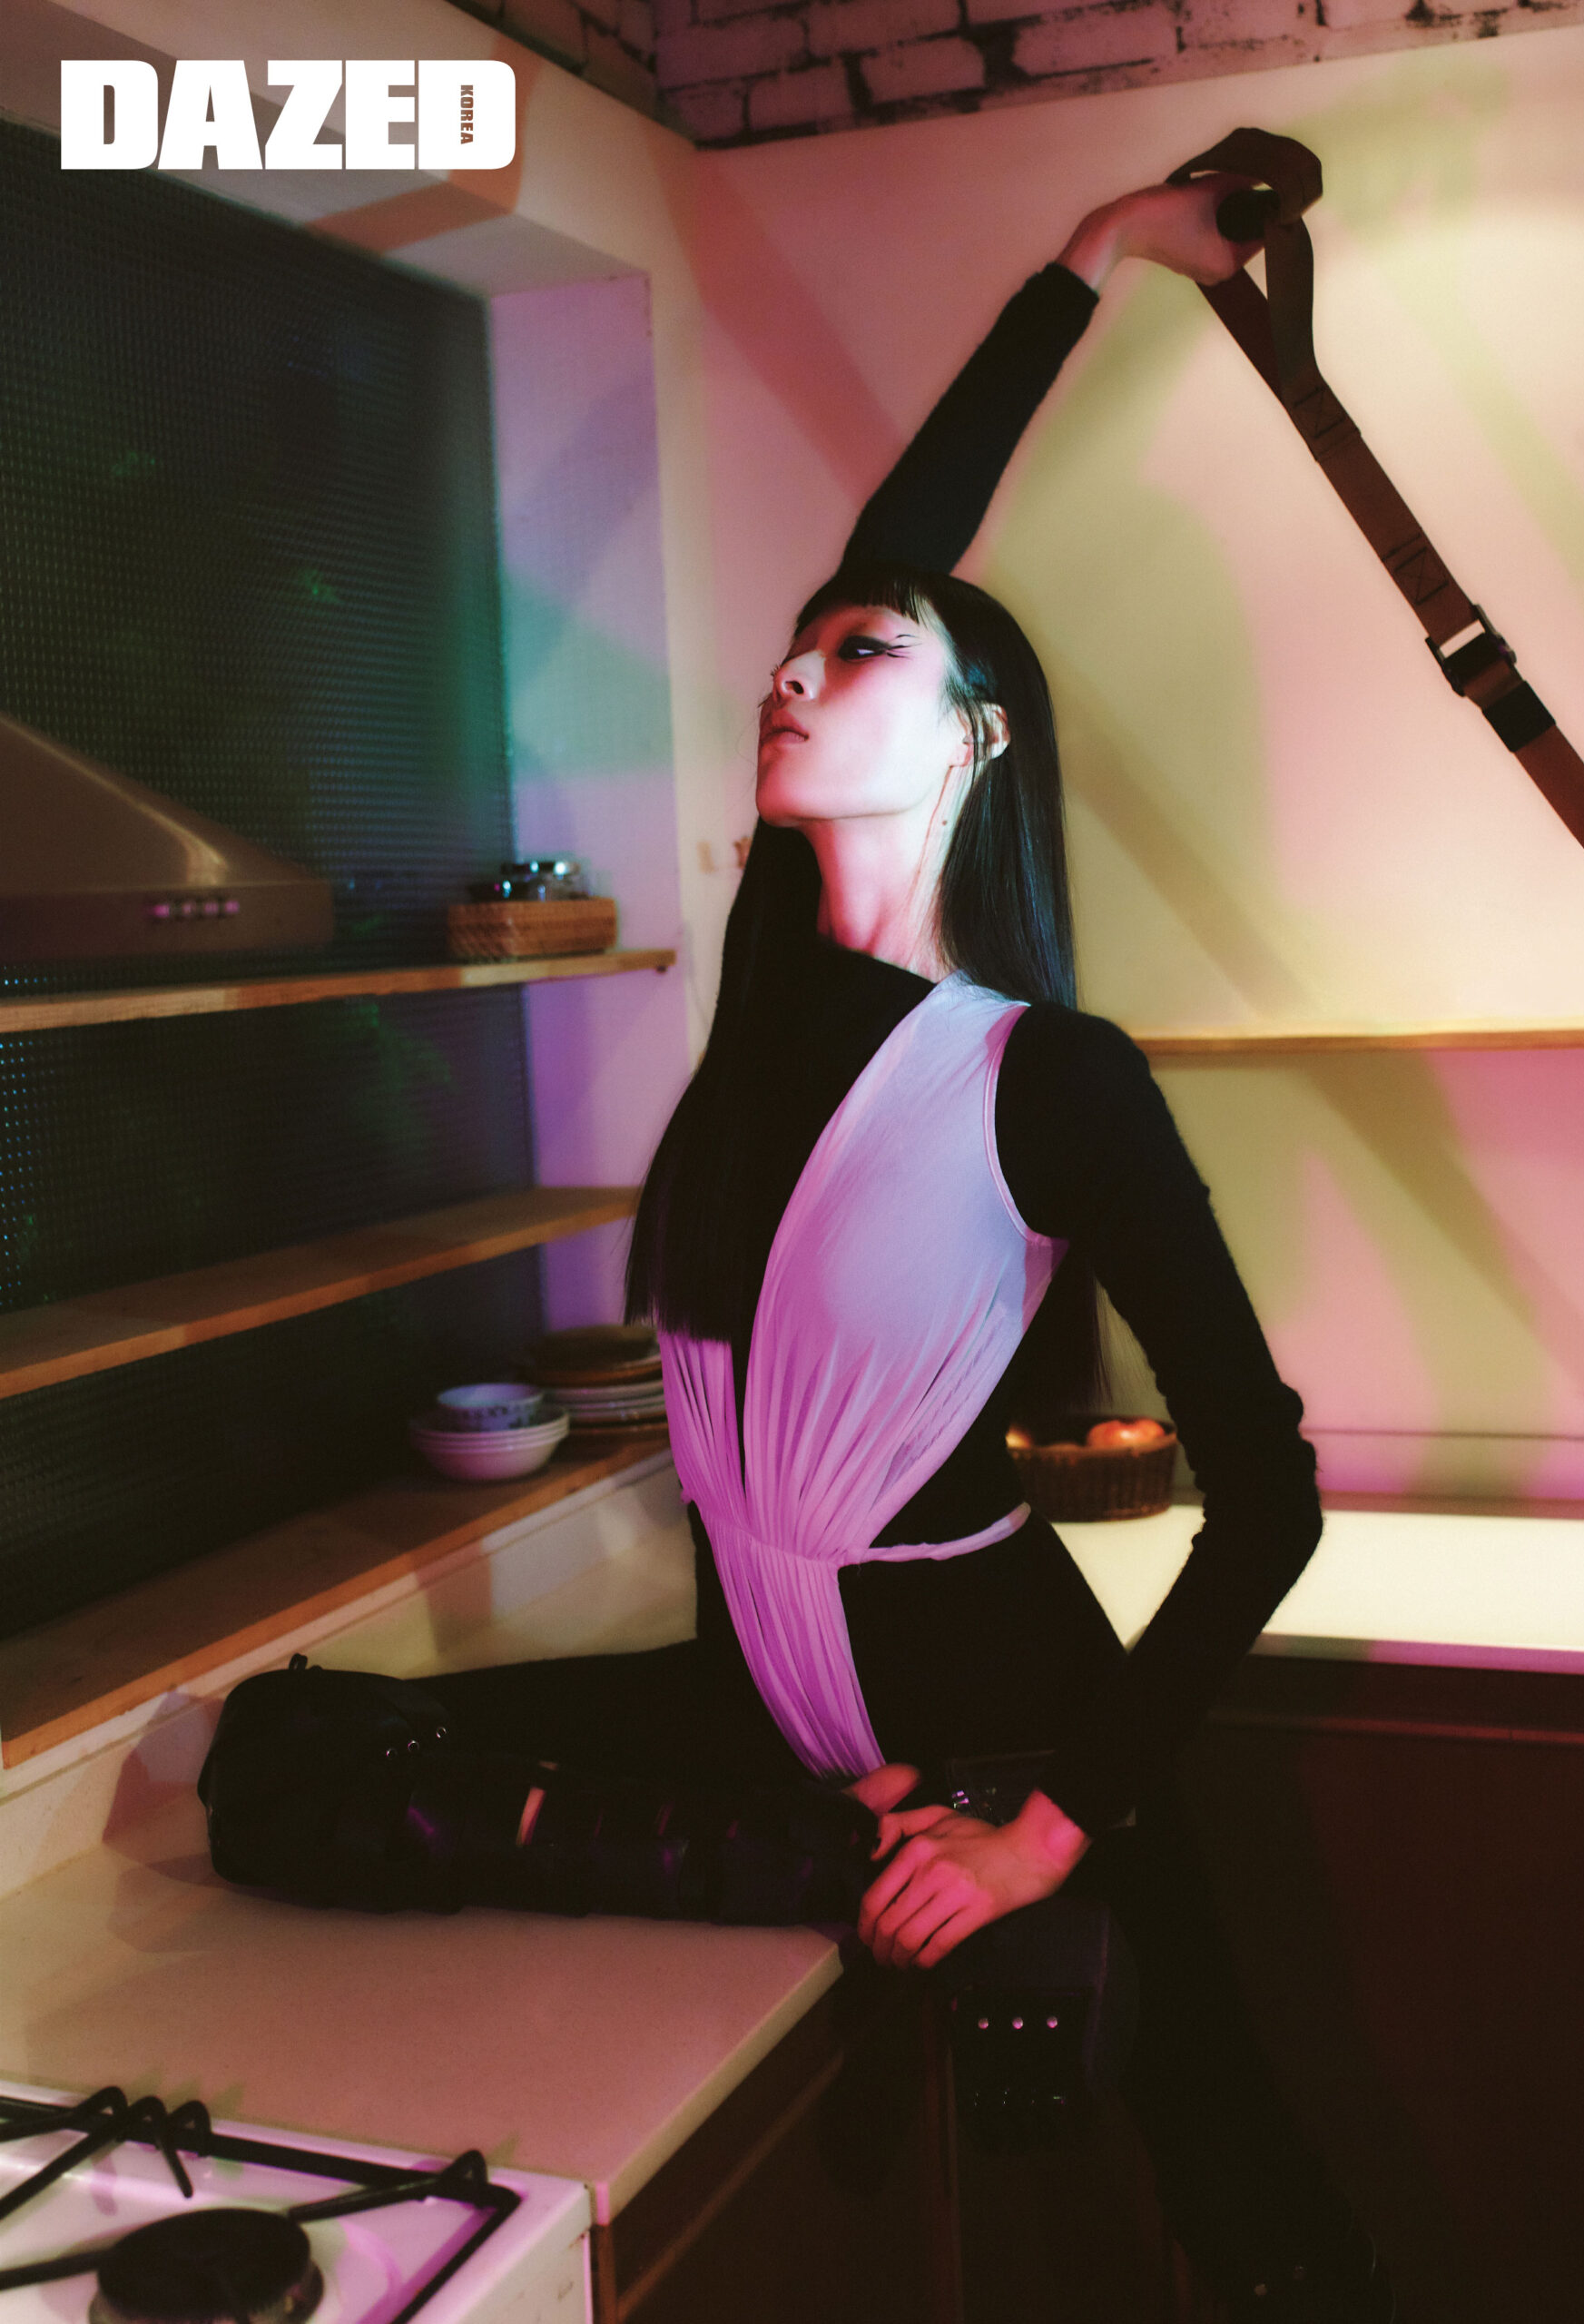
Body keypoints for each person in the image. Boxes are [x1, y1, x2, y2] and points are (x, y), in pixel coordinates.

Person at [428, 164, 1394, 2320]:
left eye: (857, 654)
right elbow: (891, 558)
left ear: (976, 737)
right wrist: (1093, 250)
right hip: (765, 1702)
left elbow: (1267, 1493)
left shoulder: (1046, 1074)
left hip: (995, 1710)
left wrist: (1048, 1821)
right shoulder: (769, 1001)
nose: (793, 670)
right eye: (791, 653)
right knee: (334, 1764)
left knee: (1228, 2174)